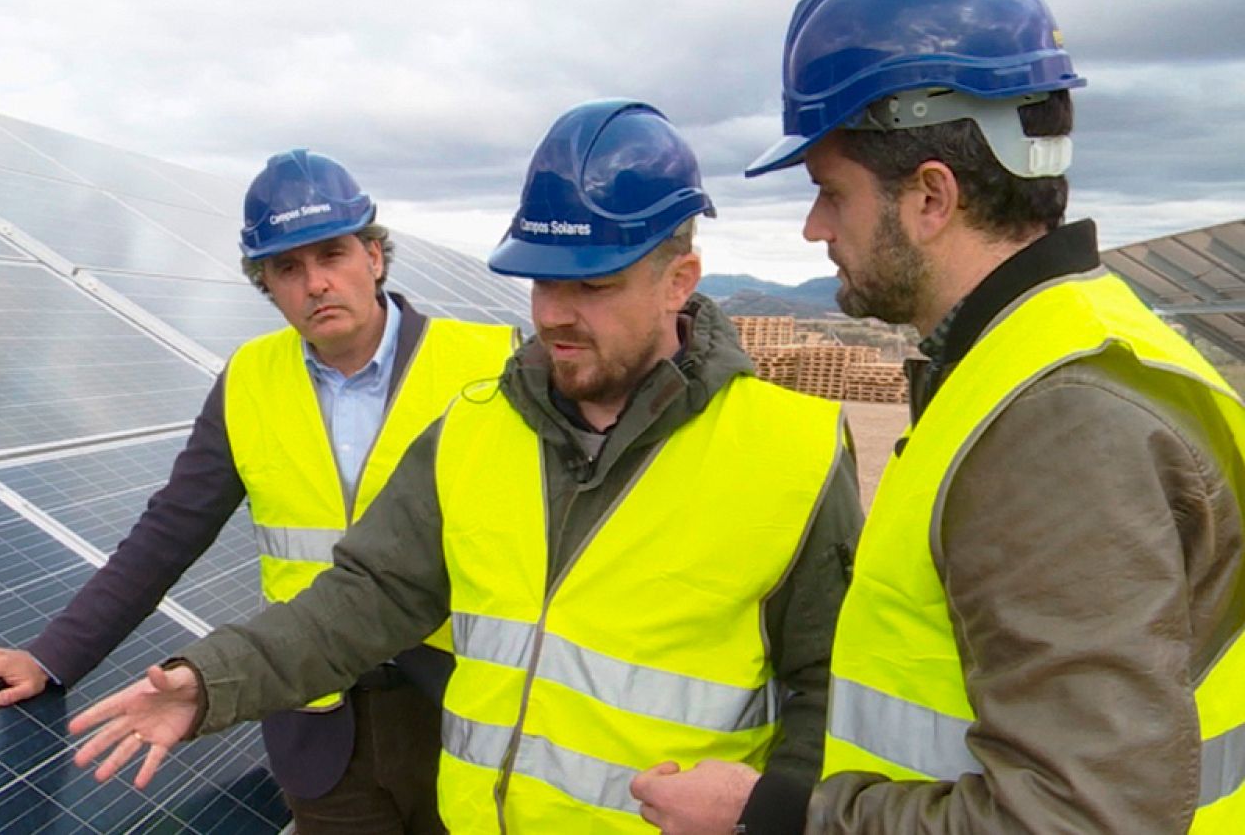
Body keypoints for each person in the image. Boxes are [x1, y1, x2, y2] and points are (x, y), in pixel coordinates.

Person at [65, 99, 865, 834]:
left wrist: (773, 814)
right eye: (543, 282)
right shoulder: (475, 430)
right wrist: (209, 681)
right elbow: (360, 599)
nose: (555, 314)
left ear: (678, 282)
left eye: (593, 284)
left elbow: (836, 686)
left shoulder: (790, 448)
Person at [665, 0, 1245, 833]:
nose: (817, 227)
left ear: (931, 197)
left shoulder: (1060, 428)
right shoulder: (1050, 356)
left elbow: (1079, 820)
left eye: (830, 191)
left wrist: (775, 816)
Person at [0, 149, 518, 834]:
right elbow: (168, 532)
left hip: (463, 708)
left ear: (374, 257)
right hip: (318, 725)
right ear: (265, 283)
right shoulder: (249, 380)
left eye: (332, 255)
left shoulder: (492, 363)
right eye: (288, 268)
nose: (316, 283)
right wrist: (51, 655)